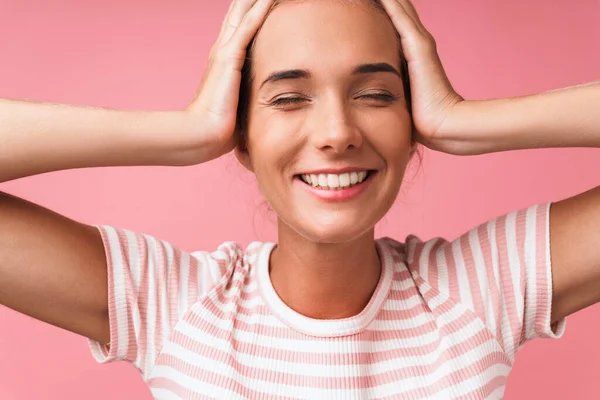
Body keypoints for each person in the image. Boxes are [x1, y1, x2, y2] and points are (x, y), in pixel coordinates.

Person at [0, 0, 599, 398]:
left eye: (376, 94)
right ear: (240, 135)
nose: (337, 132)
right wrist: (184, 132)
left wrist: (465, 122)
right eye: (288, 99)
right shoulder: (170, 302)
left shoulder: (482, 290)